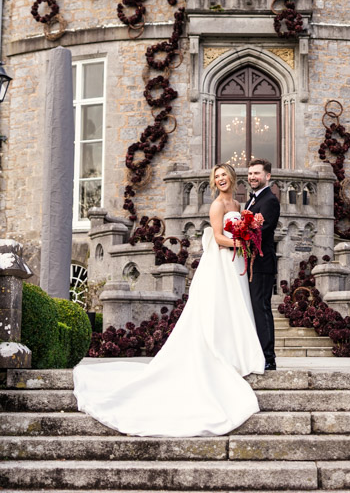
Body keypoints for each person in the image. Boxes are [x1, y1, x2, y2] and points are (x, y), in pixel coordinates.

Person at [73, 163, 265, 436]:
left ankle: (237, 350)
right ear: (214, 181)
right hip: (221, 261)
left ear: (233, 178)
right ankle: (218, 350)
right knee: (219, 306)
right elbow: (219, 238)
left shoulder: (238, 202)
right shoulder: (216, 206)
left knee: (236, 306)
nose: (221, 179)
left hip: (235, 264)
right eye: (217, 176)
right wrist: (241, 244)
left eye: (224, 175)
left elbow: (239, 230)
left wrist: (247, 236)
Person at [245, 158, 281, 370]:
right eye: (250, 174)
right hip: (250, 263)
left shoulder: (270, 200)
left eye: (256, 173)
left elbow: (262, 229)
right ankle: (257, 354)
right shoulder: (253, 200)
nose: (252, 177)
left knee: (262, 308)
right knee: (254, 309)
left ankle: (269, 358)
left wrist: (239, 236)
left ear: (268, 176)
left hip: (262, 263)